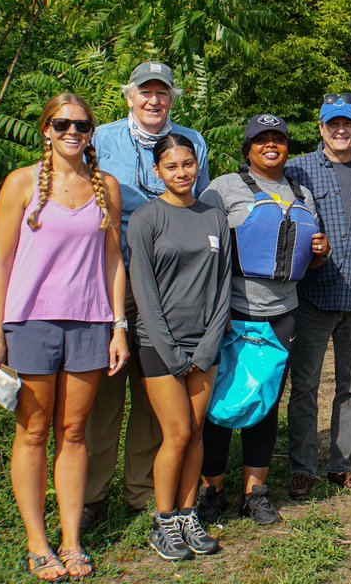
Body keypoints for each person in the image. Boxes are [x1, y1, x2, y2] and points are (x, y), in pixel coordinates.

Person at [0, 93, 128, 581]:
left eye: (81, 126)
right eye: (62, 124)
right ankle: (37, 543)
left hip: (89, 323)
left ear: (91, 133)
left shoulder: (106, 186)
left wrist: (118, 326)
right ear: (45, 129)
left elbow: (113, 261)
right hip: (29, 324)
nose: (71, 133)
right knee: (34, 431)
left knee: (75, 433)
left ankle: (71, 540)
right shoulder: (21, 184)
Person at [83, 61, 210, 528]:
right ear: (129, 95)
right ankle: (93, 493)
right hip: (115, 276)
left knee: (156, 393)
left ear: (173, 97)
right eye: (145, 92)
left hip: (172, 280)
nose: (154, 100)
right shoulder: (103, 138)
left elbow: (200, 204)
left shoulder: (191, 141)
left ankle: (141, 489)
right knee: (106, 388)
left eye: (162, 92)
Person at [197, 114, 330, 525]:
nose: (270, 145)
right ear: (248, 147)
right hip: (231, 313)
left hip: (282, 315)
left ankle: (255, 491)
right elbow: (202, 243)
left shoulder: (301, 191)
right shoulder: (223, 188)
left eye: (278, 139)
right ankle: (211, 489)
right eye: (261, 139)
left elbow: (305, 258)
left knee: (266, 401)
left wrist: (319, 254)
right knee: (217, 405)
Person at [128, 133, 231, 560]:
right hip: (158, 344)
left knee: (196, 433)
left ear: (197, 165)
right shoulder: (147, 219)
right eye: (171, 166)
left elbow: (225, 281)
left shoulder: (214, 216)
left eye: (187, 164)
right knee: (176, 433)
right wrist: (171, 352)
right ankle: (164, 519)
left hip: (204, 343)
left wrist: (209, 343)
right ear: (158, 172)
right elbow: (144, 292)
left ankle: (189, 514)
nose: (181, 173)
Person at [284, 94, 351, 498]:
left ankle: (340, 465)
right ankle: (303, 466)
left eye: (348, 123)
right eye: (332, 124)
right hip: (313, 298)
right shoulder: (298, 169)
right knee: (305, 386)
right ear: (321, 128)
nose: (340, 131)